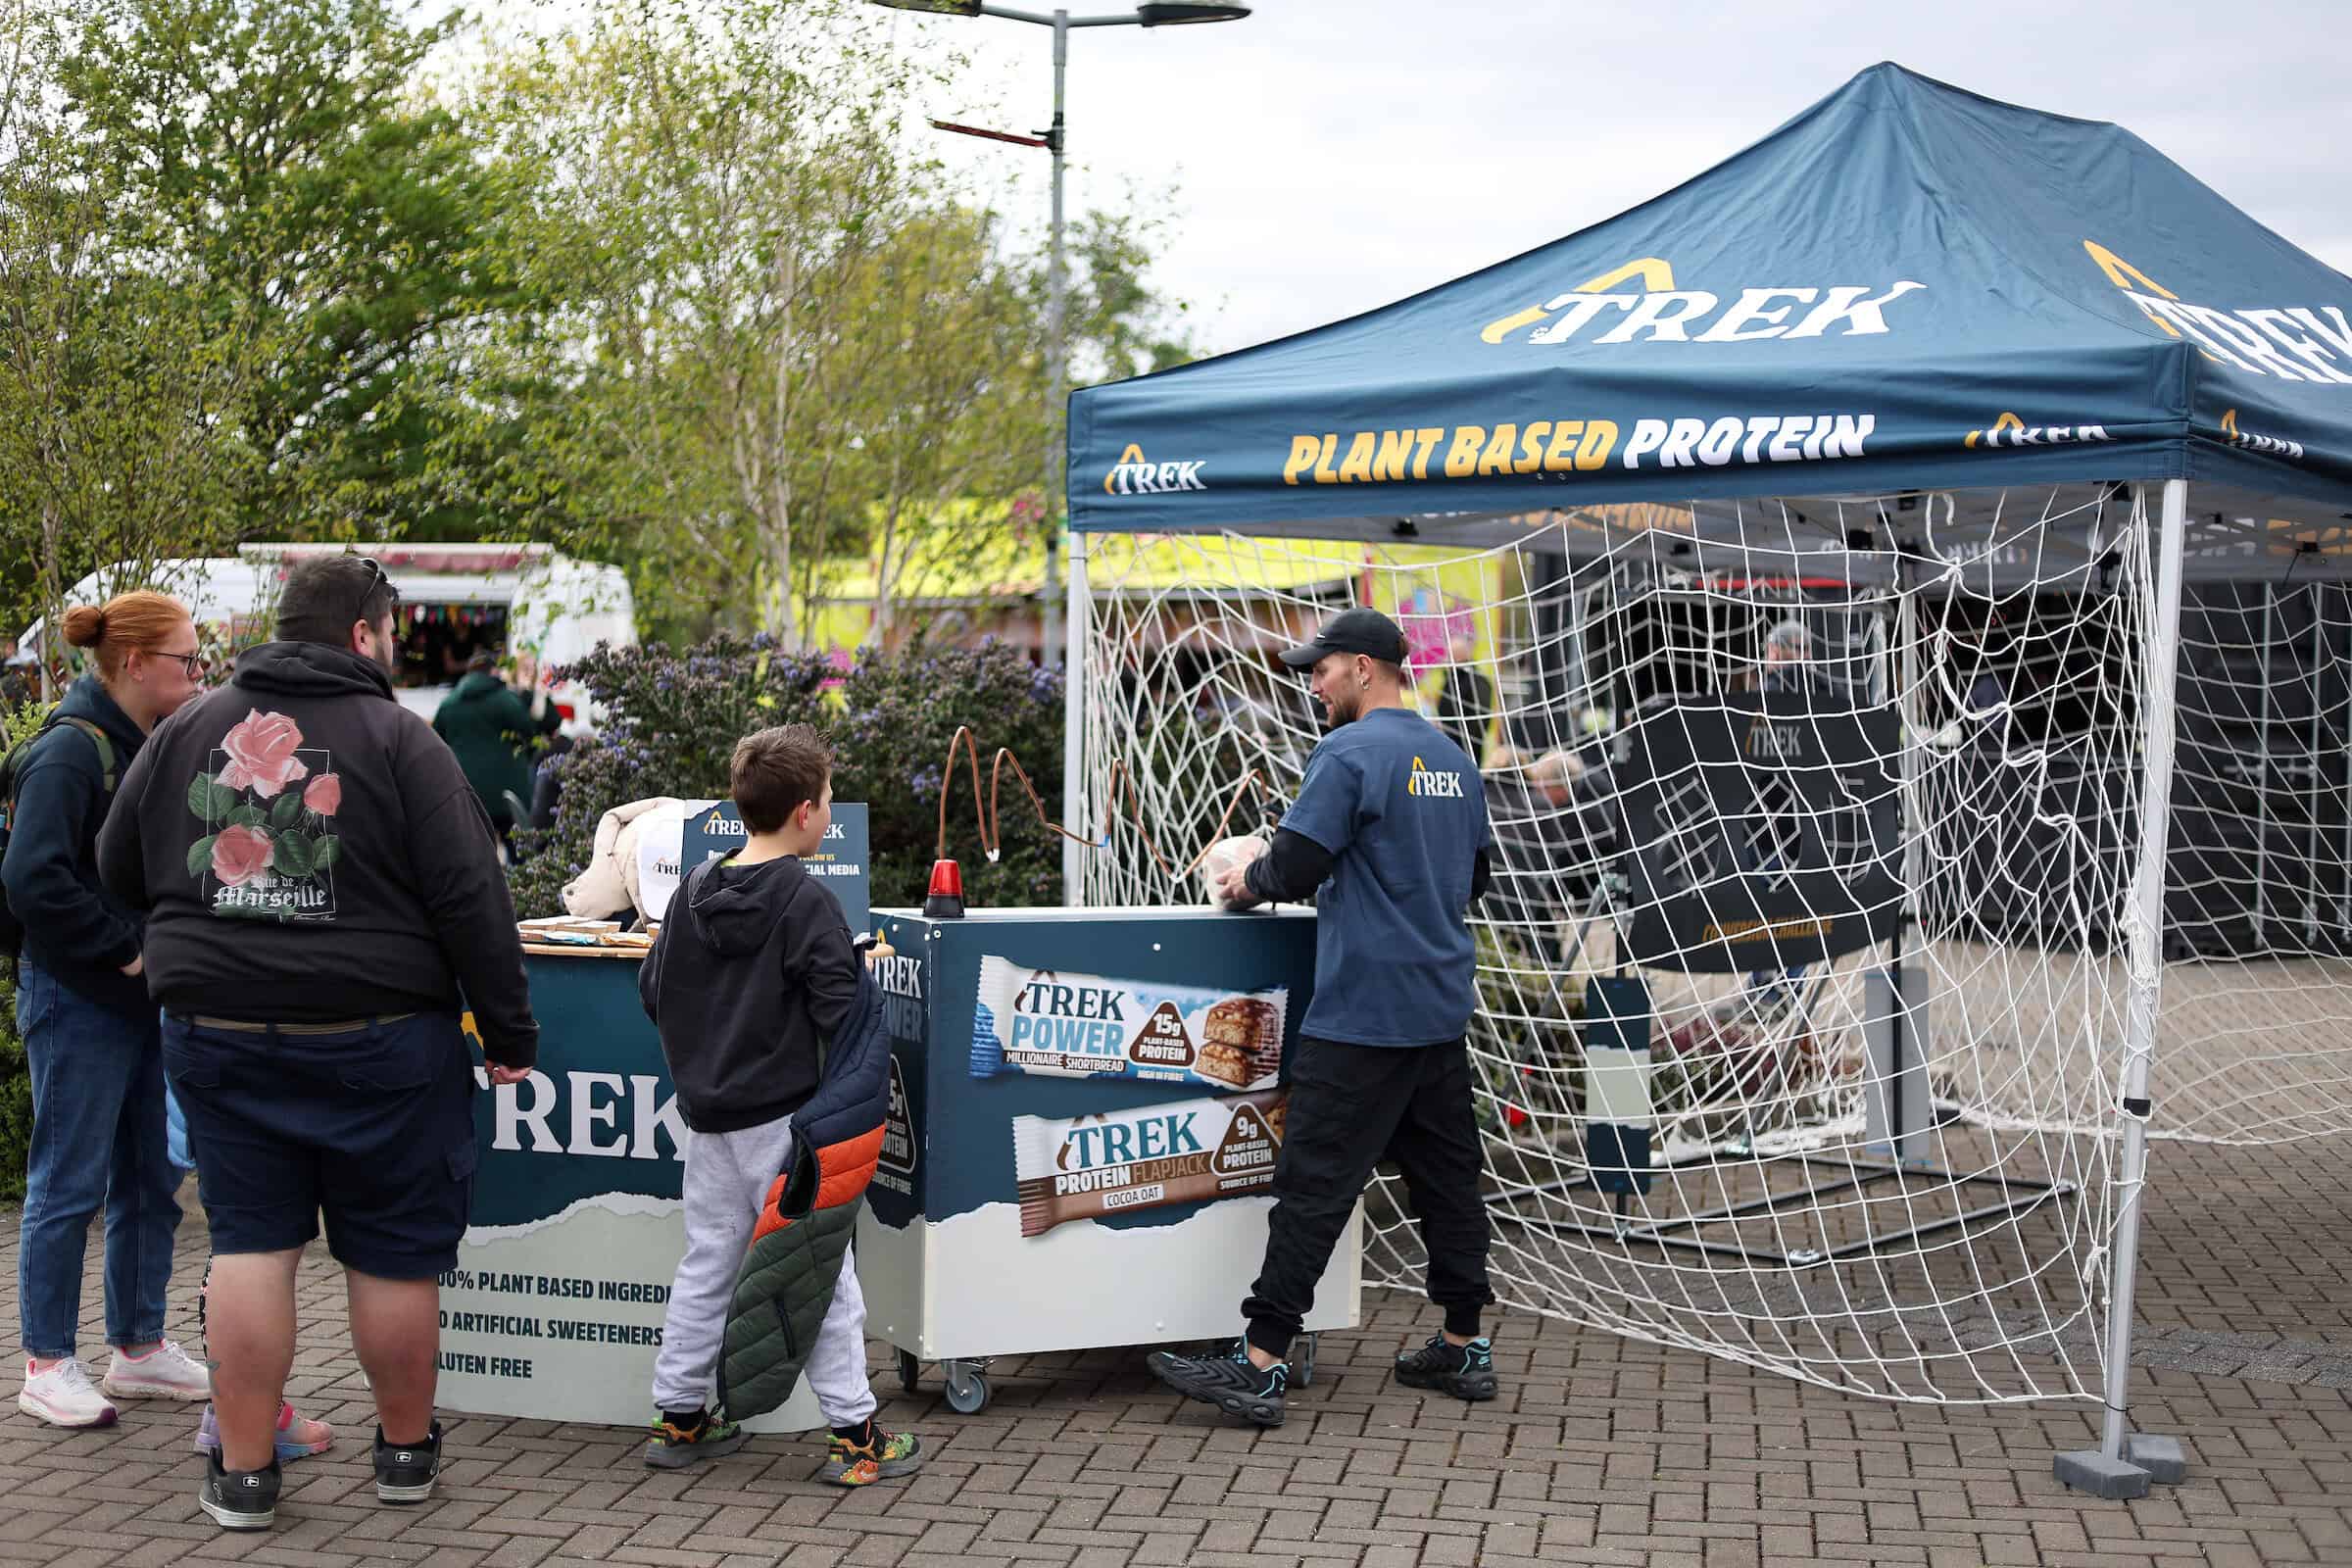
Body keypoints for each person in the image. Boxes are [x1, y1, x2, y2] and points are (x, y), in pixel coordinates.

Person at [97, 555, 537, 1533]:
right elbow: (475, 900)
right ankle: (405, 1458)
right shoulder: (401, 740)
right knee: (391, 1256)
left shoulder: (189, 727)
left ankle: (244, 1477)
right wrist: (510, 1032)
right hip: (379, 1040)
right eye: (389, 633)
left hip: (217, 1033)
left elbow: (115, 865)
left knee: (251, 1242)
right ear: (364, 635)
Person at [1148, 608, 1497, 1427]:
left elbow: (1297, 862)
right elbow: (1474, 879)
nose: (1314, 683)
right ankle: (1463, 1344)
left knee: (1312, 1185)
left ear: (1366, 669)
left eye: (1323, 668)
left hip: (1363, 1011)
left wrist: (1245, 880)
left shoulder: (1347, 753)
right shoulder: (1451, 755)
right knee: (1447, 1183)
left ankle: (1261, 1362)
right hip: (1440, 1008)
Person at [636, 724, 922, 1486]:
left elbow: (653, 990)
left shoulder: (695, 888)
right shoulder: (806, 898)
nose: (830, 812)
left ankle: (680, 1415)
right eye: (827, 800)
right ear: (804, 812)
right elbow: (840, 1013)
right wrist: (859, 973)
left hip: (710, 1122)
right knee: (818, 1273)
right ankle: (856, 1437)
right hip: (784, 1128)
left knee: (709, 1261)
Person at [3, 592, 212, 1430]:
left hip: (140, 1000)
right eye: (187, 661)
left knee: (151, 1179)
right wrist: (125, 949)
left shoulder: (149, 745)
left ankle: (137, 1346)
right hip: (79, 997)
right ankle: (47, 1362)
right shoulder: (67, 754)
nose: (200, 676)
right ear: (135, 664)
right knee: (68, 1183)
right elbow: (31, 878)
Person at [432, 649, 561, 845]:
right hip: (510, 794)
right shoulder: (507, 701)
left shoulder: (448, 705)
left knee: (479, 856)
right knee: (519, 854)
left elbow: (437, 745)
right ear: (493, 672)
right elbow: (530, 736)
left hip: (468, 794)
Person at [1429, 630, 1495, 761]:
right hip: (1446, 749)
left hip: (1467, 753)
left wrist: (1448, 730)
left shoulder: (1478, 682)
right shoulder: (1451, 679)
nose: (1446, 658)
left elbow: (1480, 724)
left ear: (1459, 656)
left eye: (1450, 655)